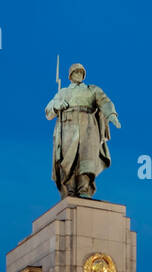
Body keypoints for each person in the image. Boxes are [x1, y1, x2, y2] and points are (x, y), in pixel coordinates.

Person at [44, 63, 120, 198]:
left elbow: (105, 102)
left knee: (87, 158)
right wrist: (56, 105)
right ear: (70, 75)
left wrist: (112, 115)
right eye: (76, 72)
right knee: (68, 160)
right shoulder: (63, 92)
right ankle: (70, 189)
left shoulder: (92, 90)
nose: (79, 74)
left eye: (81, 72)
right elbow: (48, 112)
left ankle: (84, 188)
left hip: (88, 126)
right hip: (68, 125)